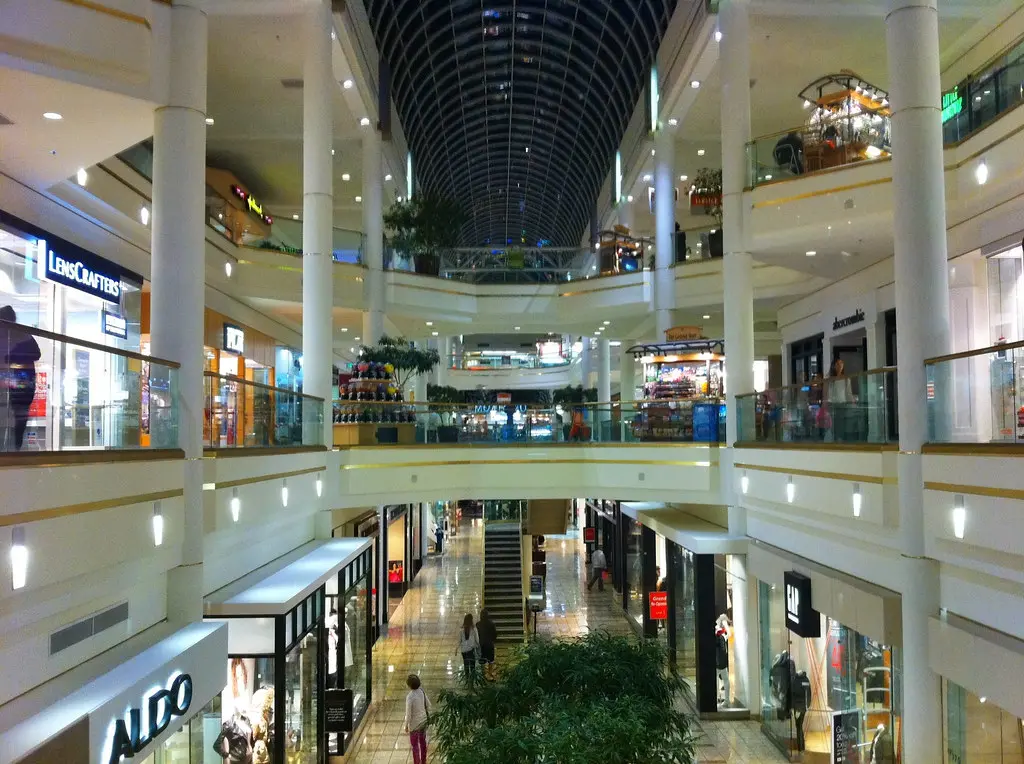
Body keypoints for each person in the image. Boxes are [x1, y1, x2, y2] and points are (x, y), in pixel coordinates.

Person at [0, 306, 40, 451]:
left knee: (18, 415)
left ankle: (14, 449)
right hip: (19, 383)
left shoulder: (21, 334)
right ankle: (14, 448)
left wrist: (9, 358)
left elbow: (36, 353)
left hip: (20, 382)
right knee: (17, 416)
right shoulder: (20, 334)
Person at [403, 674, 431, 764]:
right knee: (423, 742)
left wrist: (406, 725)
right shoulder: (422, 692)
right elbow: (428, 705)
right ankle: (423, 761)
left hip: (414, 725)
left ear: (409, 685)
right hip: (423, 721)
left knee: (415, 745)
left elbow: (408, 714)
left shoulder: (410, 697)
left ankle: (417, 762)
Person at [826, 358, 854, 441]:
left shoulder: (846, 379)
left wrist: (852, 402)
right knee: (835, 423)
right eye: (837, 364)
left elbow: (849, 393)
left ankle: (840, 439)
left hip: (843, 404)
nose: (840, 365)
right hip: (833, 404)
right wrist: (827, 403)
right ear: (834, 366)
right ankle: (835, 438)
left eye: (841, 363)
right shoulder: (831, 379)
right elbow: (828, 393)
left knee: (842, 423)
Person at [477, 608, 498, 680]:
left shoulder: (478, 624)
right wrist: (493, 640)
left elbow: (477, 635)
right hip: (489, 644)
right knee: (491, 660)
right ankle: (490, 673)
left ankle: (483, 674)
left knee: (482, 660)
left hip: (481, 644)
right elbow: (495, 634)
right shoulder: (491, 624)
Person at [458, 613, 480, 681]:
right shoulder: (474, 629)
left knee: (466, 665)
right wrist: (477, 646)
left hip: (464, 651)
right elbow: (477, 640)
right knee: (472, 666)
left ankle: (467, 679)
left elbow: (459, 641)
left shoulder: (461, 630)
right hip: (471, 650)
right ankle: (472, 680)